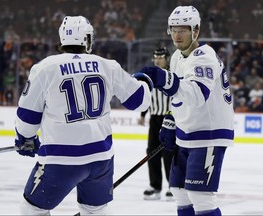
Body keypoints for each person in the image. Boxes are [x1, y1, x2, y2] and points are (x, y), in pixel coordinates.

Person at [14, 15, 153, 215]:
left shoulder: (45, 68)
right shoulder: (108, 65)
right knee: (95, 210)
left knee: (31, 209)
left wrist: (25, 138)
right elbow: (140, 101)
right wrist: (143, 81)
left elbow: (28, 116)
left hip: (60, 159)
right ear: (87, 39)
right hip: (100, 159)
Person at [140, 6, 234, 216]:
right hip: (188, 132)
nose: (177, 34)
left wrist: (164, 78)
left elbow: (197, 94)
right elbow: (178, 97)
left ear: (196, 30)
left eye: (183, 29)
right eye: (173, 29)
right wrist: (171, 121)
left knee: (201, 197)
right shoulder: (176, 57)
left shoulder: (204, 56)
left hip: (208, 134)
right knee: (179, 191)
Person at [138, 47, 173, 200]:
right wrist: (143, 114)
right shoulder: (149, 75)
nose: (158, 59)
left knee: (169, 153)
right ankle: (155, 185)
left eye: (161, 57)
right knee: (152, 152)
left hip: (169, 118)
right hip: (154, 118)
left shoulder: (172, 74)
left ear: (167, 59)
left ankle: (174, 185)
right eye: (156, 57)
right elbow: (146, 95)